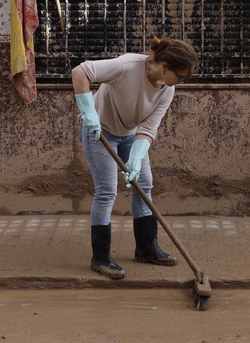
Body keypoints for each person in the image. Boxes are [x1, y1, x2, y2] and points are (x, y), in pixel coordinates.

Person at [71, 37, 198, 279]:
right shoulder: (127, 66)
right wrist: (88, 112)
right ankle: (100, 258)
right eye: (180, 76)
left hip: (130, 135)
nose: (181, 82)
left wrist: (137, 157)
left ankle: (146, 249)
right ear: (165, 66)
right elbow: (81, 71)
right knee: (107, 190)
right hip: (99, 131)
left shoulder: (167, 90)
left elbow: (149, 127)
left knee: (143, 185)